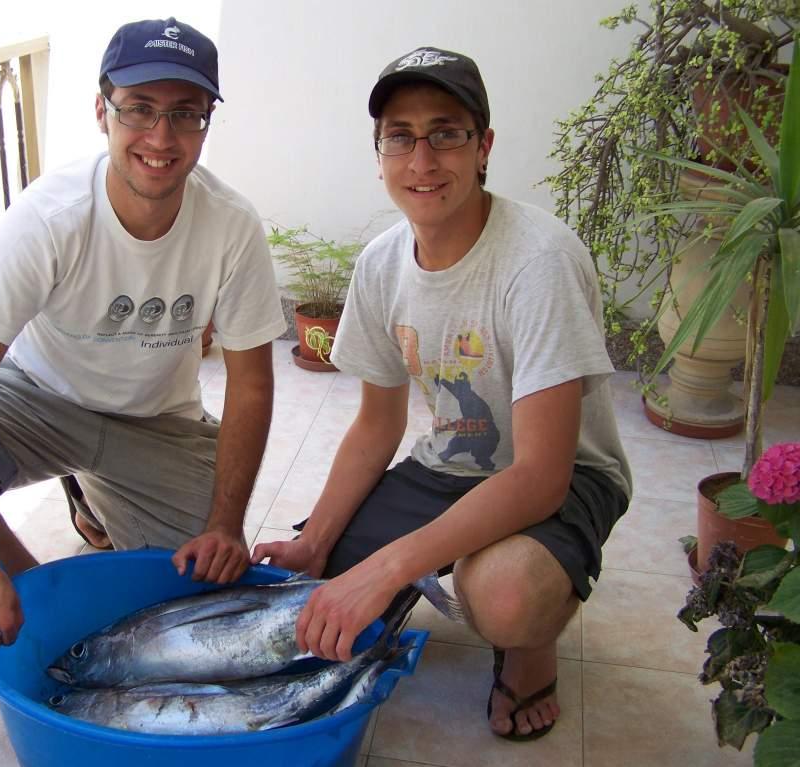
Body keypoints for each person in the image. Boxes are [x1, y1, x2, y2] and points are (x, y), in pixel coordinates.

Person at [0, 17, 286, 695]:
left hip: (156, 419)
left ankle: (95, 497)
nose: (161, 137)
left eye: (185, 114)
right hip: (37, 397)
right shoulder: (48, 216)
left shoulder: (231, 224)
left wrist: (225, 522)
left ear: (208, 122)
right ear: (102, 111)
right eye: (139, 110)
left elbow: (251, 386)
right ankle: (33, 604)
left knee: (194, 602)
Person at [252, 47, 631, 741]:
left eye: (446, 132)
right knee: (315, 588)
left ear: (484, 146)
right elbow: (375, 427)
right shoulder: (381, 263)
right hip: (452, 464)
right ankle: (400, 558)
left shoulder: (539, 260)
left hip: (566, 475)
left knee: (503, 594)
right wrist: (321, 541)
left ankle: (532, 644)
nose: (422, 159)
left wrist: (394, 563)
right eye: (401, 136)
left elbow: (543, 477)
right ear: (379, 155)